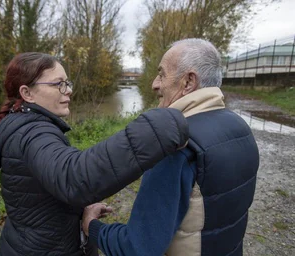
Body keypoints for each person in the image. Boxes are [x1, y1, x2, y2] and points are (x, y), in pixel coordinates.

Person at [0, 52, 189, 256]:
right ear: (27, 93)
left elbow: (45, 189)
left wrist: (79, 210)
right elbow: (73, 178)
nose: (68, 90)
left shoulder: (23, 124)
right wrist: (161, 126)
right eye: (58, 84)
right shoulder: (32, 133)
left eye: (67, 83)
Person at [82, 38, 260, 256]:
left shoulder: (175, 147)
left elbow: (136, 248)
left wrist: (92, 227)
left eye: (162, 74)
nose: (154, 84)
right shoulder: (240, 126)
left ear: (188, 82)